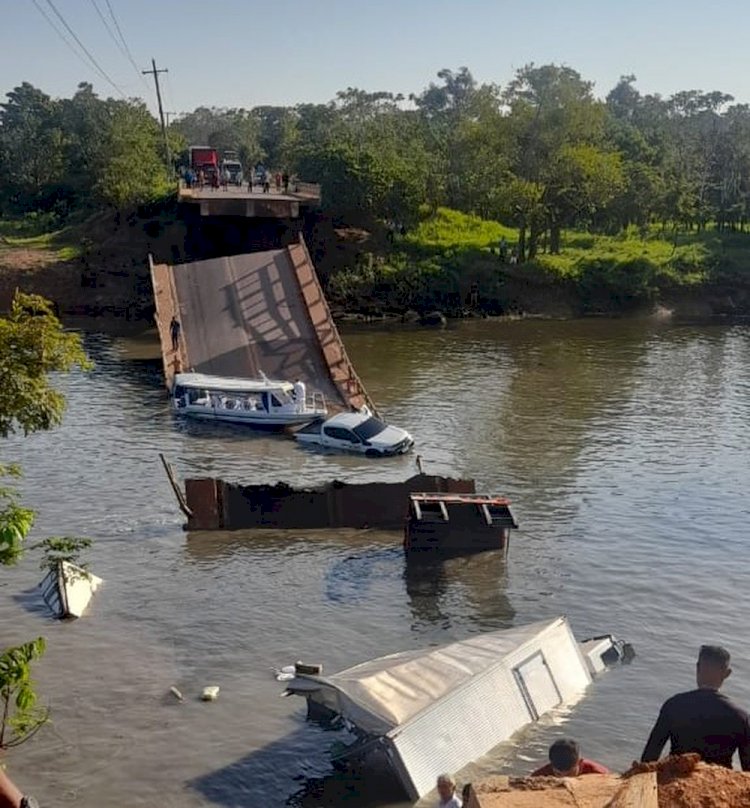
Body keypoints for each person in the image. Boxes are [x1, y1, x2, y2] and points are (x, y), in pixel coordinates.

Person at [641, 645, 750, 769]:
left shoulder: (674, 705)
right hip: (719, 783)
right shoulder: (740, 716)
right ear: (727, 673)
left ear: (698, 668)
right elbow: (748, 768)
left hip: (676, 779)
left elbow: (649, 757)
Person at [532, 739, 609, 777]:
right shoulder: (539, 776)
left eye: (569, 774)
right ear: (551, 765)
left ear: (579, 762)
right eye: (558, 774)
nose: (564, 779)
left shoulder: (599, 774)